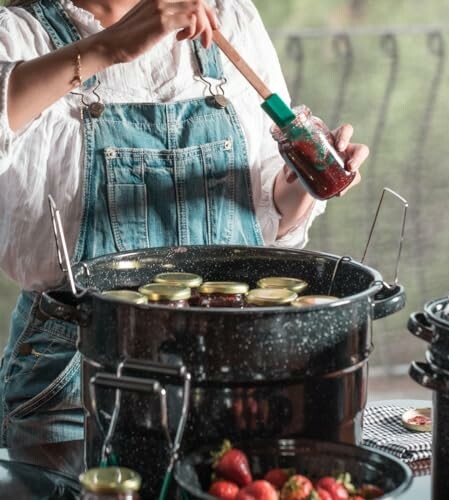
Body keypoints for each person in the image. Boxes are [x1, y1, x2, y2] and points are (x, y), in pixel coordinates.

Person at [0, 0, 369, 448]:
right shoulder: (19, 35)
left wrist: (299, 183)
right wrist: (107, 49)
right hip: (82, 373)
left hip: (233, 362)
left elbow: (269, 212)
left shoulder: (228, 20)